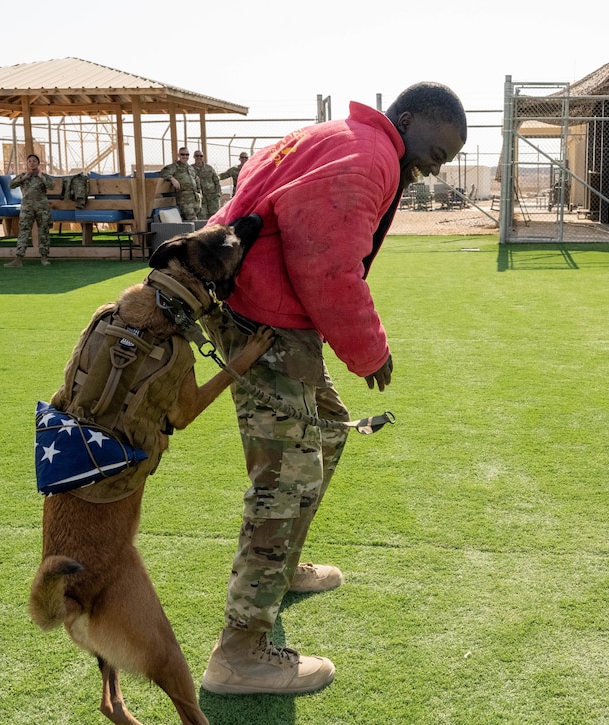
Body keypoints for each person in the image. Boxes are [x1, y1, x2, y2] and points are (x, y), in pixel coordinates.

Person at [199, 82, 467, 696]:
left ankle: (283, 568)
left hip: (259, 313)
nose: (438, 165)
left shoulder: (342, 138)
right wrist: (369, 350)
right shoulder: (371, 154)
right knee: (287, 482)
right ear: (408, 119)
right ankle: (238, 655)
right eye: (438, 148)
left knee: (328, 431)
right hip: (263, 324)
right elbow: (325, 262)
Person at [4, 153, 54, 267]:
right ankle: (18, 258)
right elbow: (11, 185)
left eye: (34, 161)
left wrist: (42, 177)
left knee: (43, 232)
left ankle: (44, 258)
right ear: (27, 163)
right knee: (24, 231)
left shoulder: (43, 176)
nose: (32, 163)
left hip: (42, 207)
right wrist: (23, 177)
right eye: (30, 161)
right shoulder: (23, 176)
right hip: (27, 207)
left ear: (38, 163)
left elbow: (51, 186)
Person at [159, 147, 202, 221]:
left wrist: (199, 194)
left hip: (195, 200)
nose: (185, 156)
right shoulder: (175, 167)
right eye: (183, 154)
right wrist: (172, 179)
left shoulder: (191, 168)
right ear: (179, 155)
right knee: (193, 220)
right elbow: (163, 172)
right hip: (184, 200)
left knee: (197, 219)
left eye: (187, 154)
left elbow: (196, 181)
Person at [191, 149, 222, 219]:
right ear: (194, 157)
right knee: (202, 216)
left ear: (203, 157)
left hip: (212, 196)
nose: (199, 157)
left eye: (200, 156)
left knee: (215, 216)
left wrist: (218, 193)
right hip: (200, 198)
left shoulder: (209, 168)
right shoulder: (191, 169)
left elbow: (216, 180)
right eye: (197, 156)